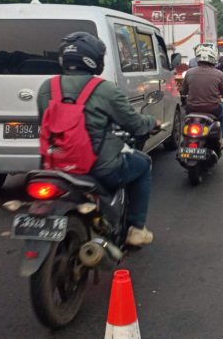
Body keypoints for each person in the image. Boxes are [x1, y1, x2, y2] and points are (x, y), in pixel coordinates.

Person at [37, 32, 160, 246]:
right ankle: (136, 229)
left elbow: (44, 122)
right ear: (95, 59)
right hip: (99, 166)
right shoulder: (105, 89)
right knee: (143, 164)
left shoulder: (47, 88)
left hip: (54, 165)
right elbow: (134, 123)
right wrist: (151, 122)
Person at [180, 45, 223, 149]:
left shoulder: (189, 73)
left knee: (185, 120)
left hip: (191, 109)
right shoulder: (219, 74)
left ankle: (183, 139)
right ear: (213, 58)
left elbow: (183, 91)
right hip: (213, 109)